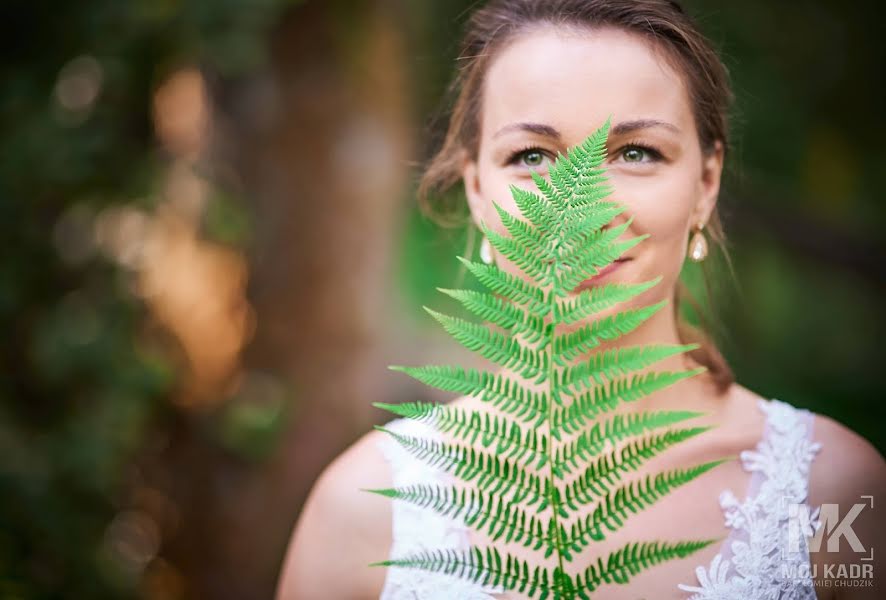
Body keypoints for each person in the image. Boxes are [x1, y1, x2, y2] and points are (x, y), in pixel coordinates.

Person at [276, 1, 886, 598]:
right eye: (532, 156)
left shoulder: (837, 495)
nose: (583, 210)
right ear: (478, 192)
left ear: (705, 184)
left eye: (636, 153)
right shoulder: (364, 510)